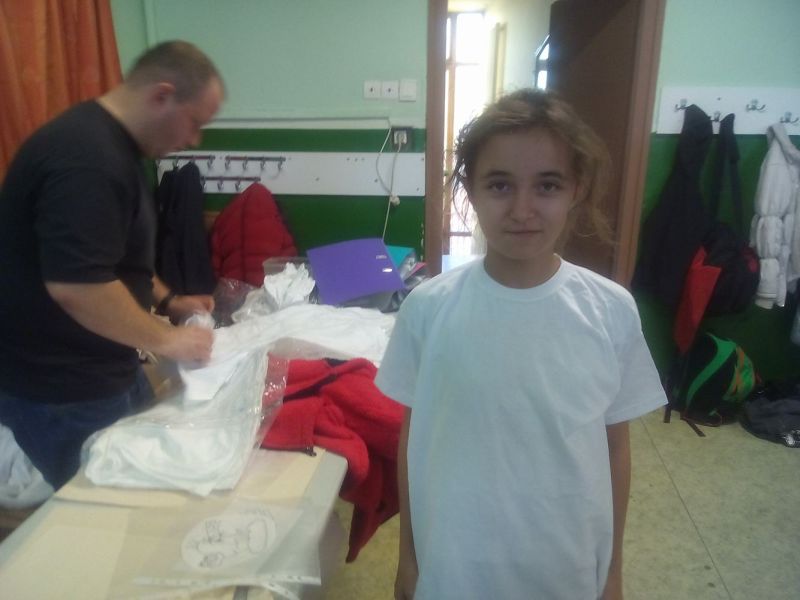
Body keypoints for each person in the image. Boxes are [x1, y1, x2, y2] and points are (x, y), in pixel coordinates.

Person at [375, 89, 668, 600]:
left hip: (564, 566)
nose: (522, 209)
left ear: (576, 189)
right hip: (456, 565)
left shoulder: (610, 311)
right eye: (500, 185)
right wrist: (409, 557)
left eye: (547, 185)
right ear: (470, 189)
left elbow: (615, 449)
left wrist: (612, 571)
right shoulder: (427, 309)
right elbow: (413, 440)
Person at [0, 40, 225, 490]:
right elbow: (79, 286)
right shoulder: (87, 158)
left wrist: (170, 301)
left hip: (105, 363)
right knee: (103, 508)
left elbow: (116, 257)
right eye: (195, 123)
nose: (193, 140)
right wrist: (169, 339)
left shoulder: (114, 148)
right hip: (61, 387)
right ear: (161, 96)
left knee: (141, 486)